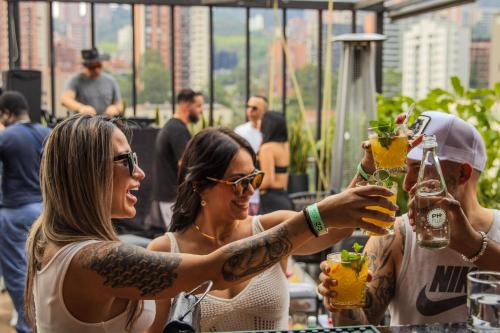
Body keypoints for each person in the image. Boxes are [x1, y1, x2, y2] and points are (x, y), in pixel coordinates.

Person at [23, 114, 396, 332]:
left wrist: (369, 168)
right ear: (87, 173)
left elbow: (342, 221)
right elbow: (215, 270)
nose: (139, 172)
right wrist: (316, 215)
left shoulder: (66, 249)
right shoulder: (93, 260)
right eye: (126, 160)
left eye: (255, 179)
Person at [145, 127, 397, 332]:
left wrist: (368, 167)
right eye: (238, 182)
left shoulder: (270, 229)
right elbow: (156, 329)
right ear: (200, 184)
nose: (250, 190)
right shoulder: (165, 251)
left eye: (254, 178)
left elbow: (336, 224)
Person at [318, 111, 500, 325]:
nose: (406, 184)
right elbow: (359, 326)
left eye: (419, 168)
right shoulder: (397, 235)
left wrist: (471, 244)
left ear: (463, 174)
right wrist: (342, 298)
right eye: (406, 170)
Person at [0, 91, 50, 333]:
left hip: (14, 212)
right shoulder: (46, 133)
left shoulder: (6, 137)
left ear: (6, 113)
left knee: (18, 271)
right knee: (42, 269)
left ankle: (26, 325)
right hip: (44, 210)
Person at [152, 89, 204, 229]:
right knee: (178, 238)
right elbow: (185, 164)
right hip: (172, 196)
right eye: (198, 106)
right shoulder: (177, 130)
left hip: (170, 195)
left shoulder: (174, 127)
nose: (201, 111)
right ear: (186, 105)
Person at [60, 47, 123, 116]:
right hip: (82, 124)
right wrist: (81, 107)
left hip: (105, 123)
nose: (96, 70)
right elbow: (65, 99)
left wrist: (114, 108)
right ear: (85, 66)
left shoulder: (111, 81)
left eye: (98, 66)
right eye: (92, 67)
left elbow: (119, 105)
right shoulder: (75, 80)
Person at [235, 95, 268, 215]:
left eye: (254, 108)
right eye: (248, 107)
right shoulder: (239, 131)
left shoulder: (268, 133)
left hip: (266, 194)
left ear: (264, 111)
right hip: (246, 191)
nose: (249, 110)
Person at [258, 111, 293, 213]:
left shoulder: (267, 148)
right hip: (284, 197)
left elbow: (268, 181)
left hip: (270, 200)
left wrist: (249, 186)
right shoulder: (284, 145)